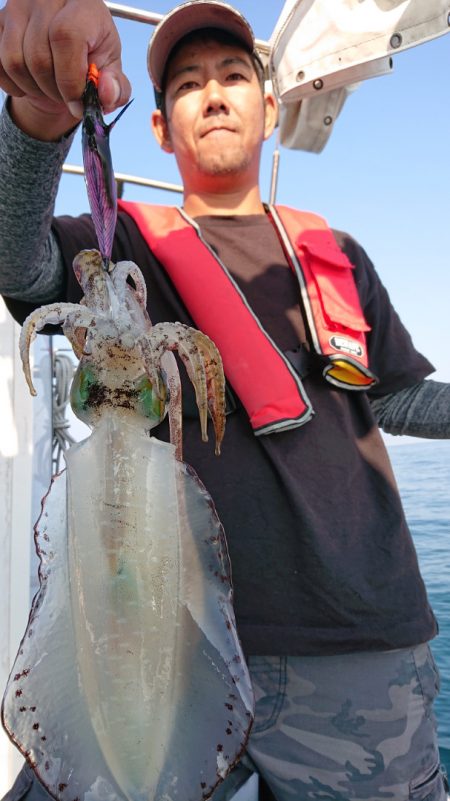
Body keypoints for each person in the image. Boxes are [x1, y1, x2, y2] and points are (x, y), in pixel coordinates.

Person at [0, 1, 449, 799]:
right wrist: (39, 116)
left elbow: (394, 397)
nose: (213, 93)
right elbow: (19, 258)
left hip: (355, 640)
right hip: (162, 633)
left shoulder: (334, 253)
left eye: (235, 75)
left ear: (271, 110)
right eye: (187, 83)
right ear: (161, 131)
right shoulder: (121, 245)